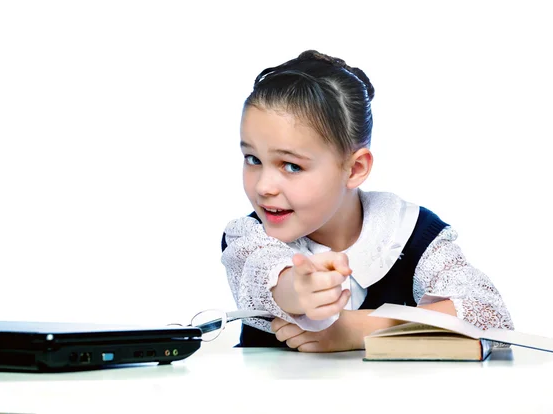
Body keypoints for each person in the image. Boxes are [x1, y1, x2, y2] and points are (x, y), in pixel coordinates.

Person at [220, 49, 513, 352]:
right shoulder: (250, 238)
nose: (264, 186)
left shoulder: (410, 234)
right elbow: (270, 279)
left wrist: (357, 328)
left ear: (355, 168)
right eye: (252, 159)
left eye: (291, 166)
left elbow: (491, 318)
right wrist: (299, 289)